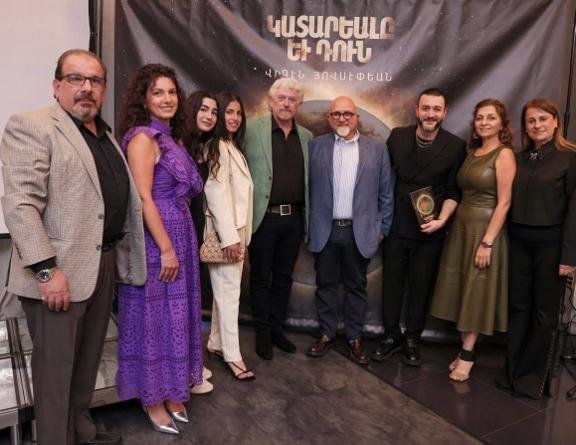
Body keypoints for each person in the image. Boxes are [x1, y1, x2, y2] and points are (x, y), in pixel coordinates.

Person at [0, 49, 146, 445]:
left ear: (104, 89)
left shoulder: (105, 135)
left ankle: (80, 432)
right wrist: (47, 271)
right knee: (55, 375)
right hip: (56, 274)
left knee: (84, 368)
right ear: (57, 85)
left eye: (95, 80)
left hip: (100, 265)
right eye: (76, 78)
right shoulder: (32, 125)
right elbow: (20, 205)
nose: (86, 88)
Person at [115, 64, 204, 435]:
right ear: (144, 99)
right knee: (154, 319)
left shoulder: (171, 138)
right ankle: (152, 397)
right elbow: (143, 199)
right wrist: (166, 249)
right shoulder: (142, 138)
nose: (167, 99)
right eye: (157, 92)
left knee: (175, 318)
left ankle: (170, 389)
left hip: (180, 234)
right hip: (157, 241)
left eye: (171, 92)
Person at [373, 88, 467, 367]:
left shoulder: (455, 146)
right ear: (417, 110)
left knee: (421, 287)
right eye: (426, 108)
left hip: (430, 229)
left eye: (436, 109)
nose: (430, 114)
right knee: (392, 285)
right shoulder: (397, 136)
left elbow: (454, 191)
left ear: (444, 113)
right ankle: (391, 336)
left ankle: (413, 338)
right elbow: (383, 181)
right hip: (397, 226)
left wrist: (442, 220)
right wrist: (381, 219)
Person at [430, 98, 516, 382]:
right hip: (461, 228)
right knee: (463, 290)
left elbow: (504, 202)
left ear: (501, 124)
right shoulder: (472, 152)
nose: (484, 122)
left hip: (485, 231)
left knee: (477, 291)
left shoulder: (504, 155)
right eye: (480, 118)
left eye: (491, 117)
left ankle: (467, 355)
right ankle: (463, 350)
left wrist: (487, 242)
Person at [496, 98, 576, 399]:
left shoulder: (569, 158)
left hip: (551, 245)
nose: (537, 125)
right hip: (518, 241)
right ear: (525, 126)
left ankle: (533, 380)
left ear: (556, 122)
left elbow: (574, 211)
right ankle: (512, 372)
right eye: (531, 120)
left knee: (544, 313)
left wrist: (569, 256)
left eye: (543, 119)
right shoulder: (519, 158)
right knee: (518, 307)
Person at [306, 96, 394, 364]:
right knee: (325, 285)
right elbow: (306, 189)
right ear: (329, 118)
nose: (341, 118)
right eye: (336, 114)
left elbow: (386, 193)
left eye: (347, 113)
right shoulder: (315, 146)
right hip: (325, 230)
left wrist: (382, 229)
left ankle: (355, 338)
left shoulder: (377, 149)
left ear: (357, 117)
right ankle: (326, 334)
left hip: (360, 232)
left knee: (356, 287)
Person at [245, 77, 313, 360]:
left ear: (299, 105)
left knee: (284, 278)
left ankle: (276, 330)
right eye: (281, 98)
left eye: (292, 99)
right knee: (261, 277)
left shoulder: (306, 137)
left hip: (294, 220)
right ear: (271, 101)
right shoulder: (251, 129)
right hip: (263, 218)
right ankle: (262, 332)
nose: (286, 103)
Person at [203, 92, 255, 381]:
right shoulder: (217, 147)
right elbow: (215, 193)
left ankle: (215, 342)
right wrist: (230, 238)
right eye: (229, 112)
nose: (234, 118)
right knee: (229, 295)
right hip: (227, 236)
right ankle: (233, 356)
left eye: (238, 113)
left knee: (223, 293)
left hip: (235, 233)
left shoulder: (231, 146)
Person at [183, 90, 219, 394]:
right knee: (179, 306)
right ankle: (183, 371)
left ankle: (190, 364)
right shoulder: (178, 145)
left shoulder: (200, 147)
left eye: (214, 112)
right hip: (178, 233)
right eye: (204, 109)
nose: (209, 115)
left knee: (191, 304)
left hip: (195, 231)